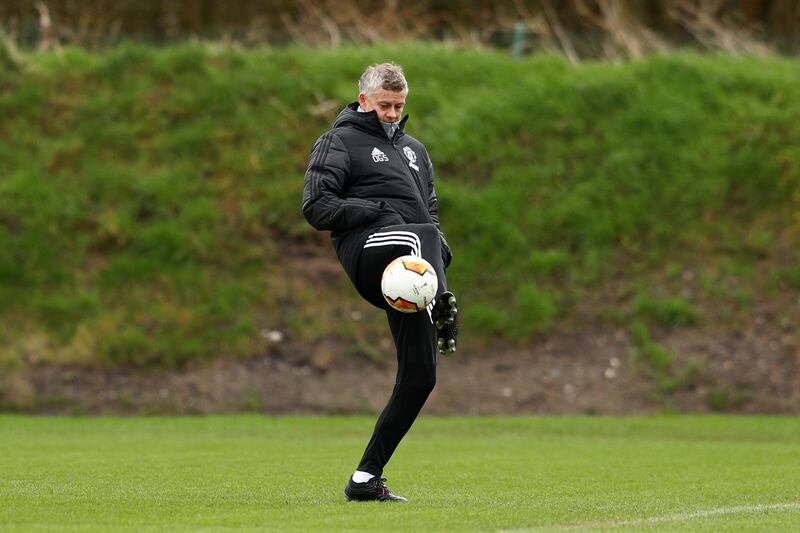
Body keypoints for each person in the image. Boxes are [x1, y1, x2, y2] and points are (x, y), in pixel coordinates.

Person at [302, 62, 458, 502]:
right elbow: (316, 206)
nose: (392, 113)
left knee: (420, 376)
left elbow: (430, 213)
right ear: (364, 100)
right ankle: (444, 307)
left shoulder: (416, 151)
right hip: (366, 250)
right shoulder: (339, 141)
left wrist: (438, 246)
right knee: (420, 234)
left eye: (398, 106)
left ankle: (365, 478)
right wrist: (374, 211)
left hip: (413, 268)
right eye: (384, 105)